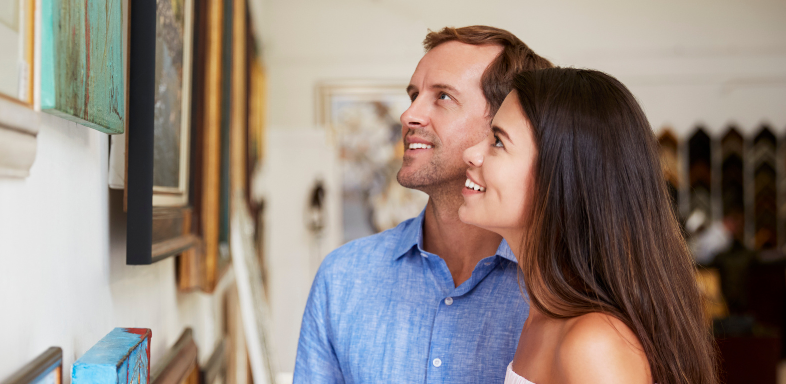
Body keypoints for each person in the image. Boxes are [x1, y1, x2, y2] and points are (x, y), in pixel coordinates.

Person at [293, 26, 552, 383]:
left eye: (443, 96)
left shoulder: (558, 292)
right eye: (413, 95)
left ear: (506, 122)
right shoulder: (343, 279)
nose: (409, 115)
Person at [459, 68, 717, 384]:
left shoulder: (594, 344)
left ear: (561, 177)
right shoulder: (542, 317)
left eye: (498, 141)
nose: (470, 154)